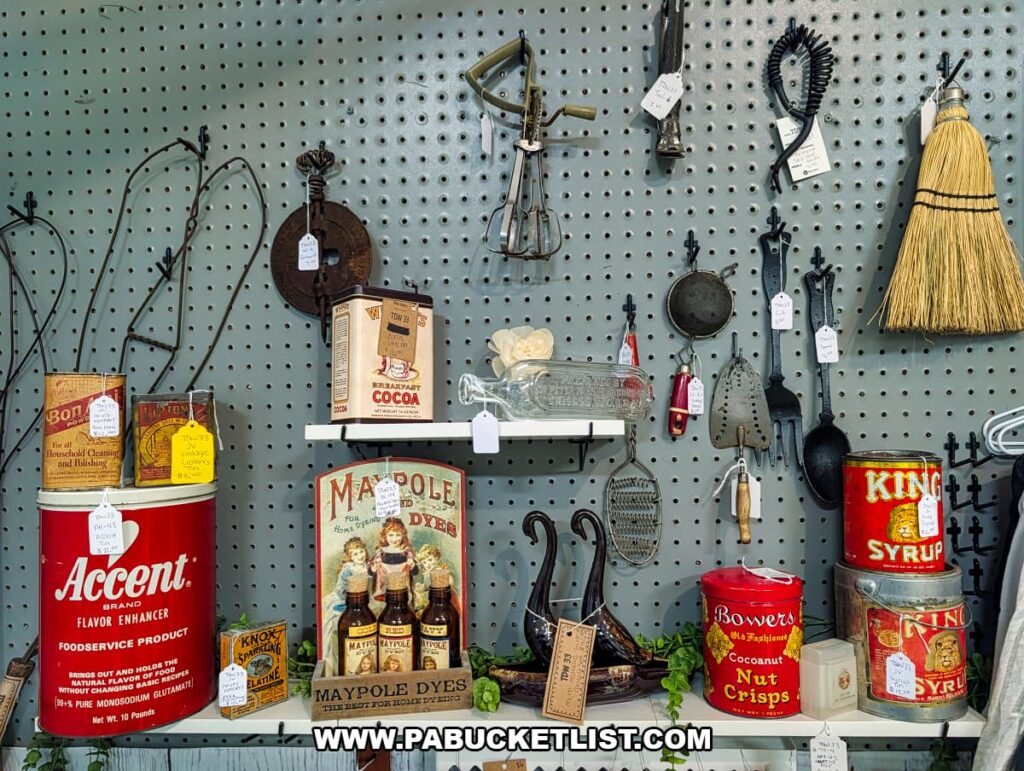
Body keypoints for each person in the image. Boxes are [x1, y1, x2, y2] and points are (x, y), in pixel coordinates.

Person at [369, 518, 417, 600]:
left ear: (403, 535)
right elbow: (371, 572)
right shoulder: (381, 552)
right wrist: (374, 568)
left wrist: (412, 565)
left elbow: (415, 571)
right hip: (384, 590)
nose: (394, 539)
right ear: (385, 536)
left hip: (403, 589)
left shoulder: (406, 552)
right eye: (391, 535)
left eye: (398, 535)